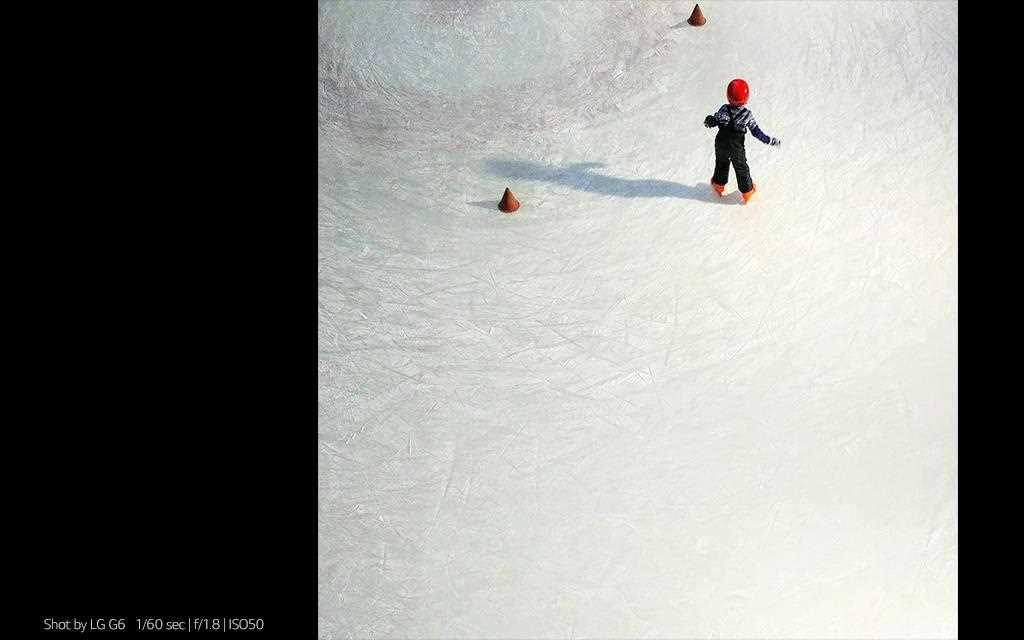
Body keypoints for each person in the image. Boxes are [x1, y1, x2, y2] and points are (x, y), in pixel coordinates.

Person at [704, 79, 780, 203]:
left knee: (721, 162)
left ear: (728, 96)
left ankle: (718, 185)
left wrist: (710, 120)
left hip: (721, 143)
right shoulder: (747, 115)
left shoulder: (724, 109)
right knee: (741, 167)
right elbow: (756, 132)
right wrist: (769, 140)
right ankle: (747, 191)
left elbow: (716, 120)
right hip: (736, 146)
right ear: (746, 98)